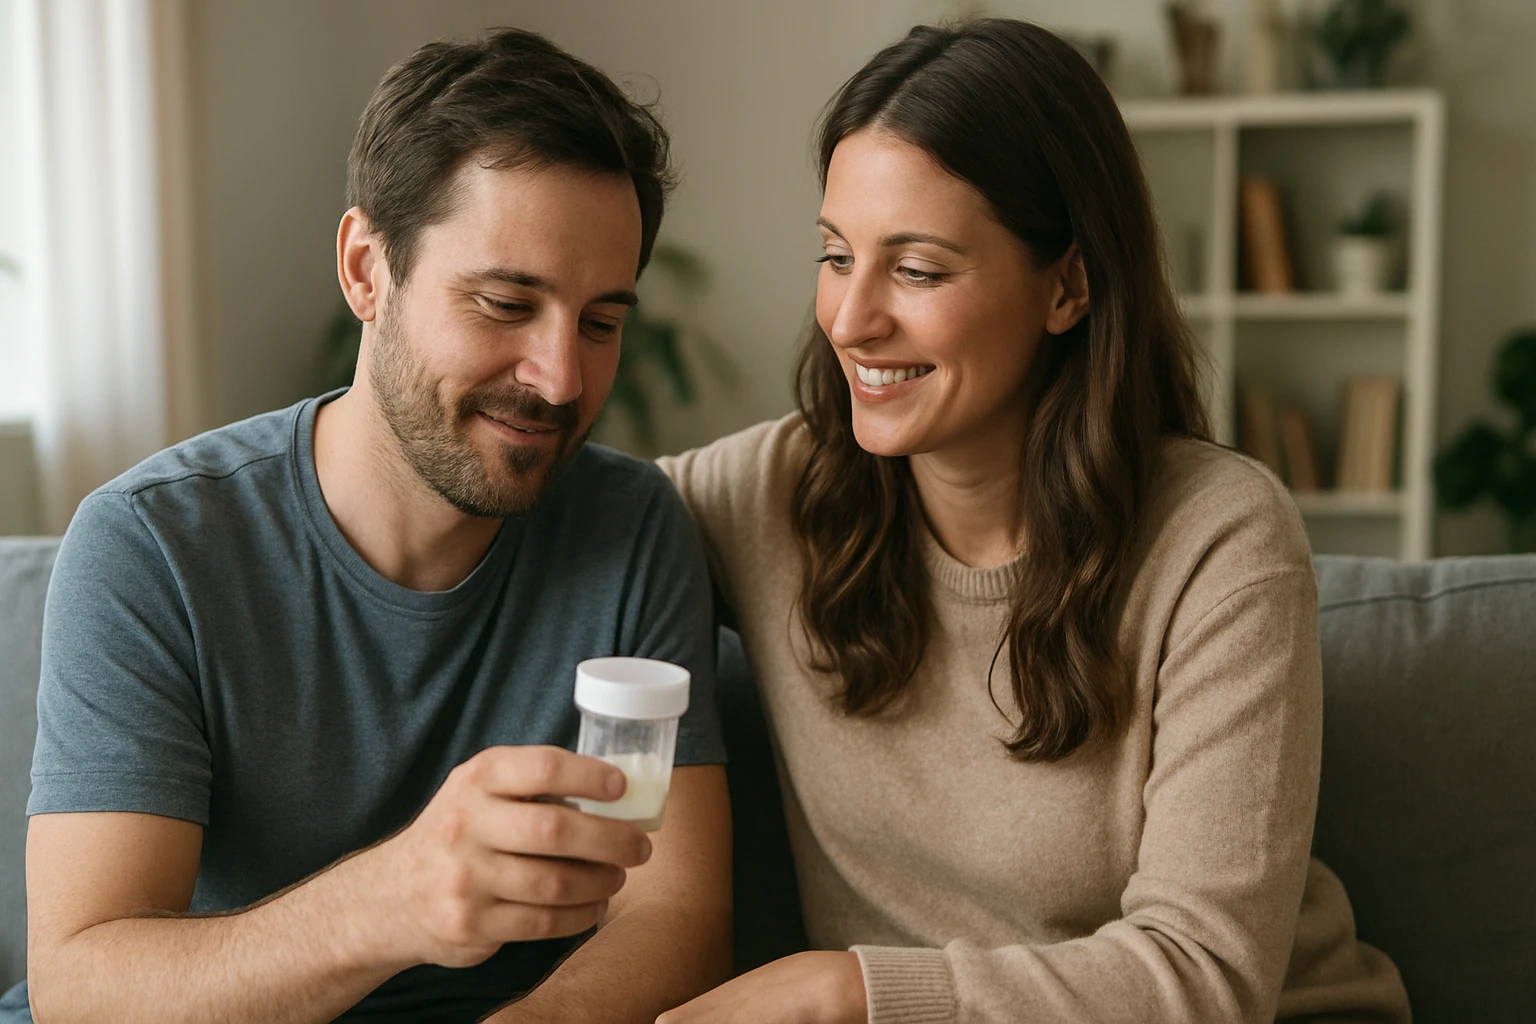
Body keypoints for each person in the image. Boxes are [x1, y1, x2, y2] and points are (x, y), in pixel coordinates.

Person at [656, 19, 1410, 1024]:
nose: (850, 319)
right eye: (837, 256)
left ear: (1068, 285)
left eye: (917, 270)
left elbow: (1207, 977)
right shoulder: (772, 493)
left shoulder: (1220, 538)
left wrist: (852, 990)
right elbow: (541, 520)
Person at [7, 28, 730, 1024]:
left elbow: (676, 915)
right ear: (365, 269)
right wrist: (389, 904)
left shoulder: (630, 530)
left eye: (601, 322)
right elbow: (82, 990)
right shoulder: (152, 547)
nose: (561, 378)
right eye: (504, 302)